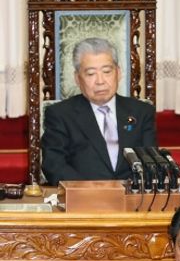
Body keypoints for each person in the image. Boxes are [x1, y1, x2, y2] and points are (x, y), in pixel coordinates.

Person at [41, 37, 157, 185]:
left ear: (118, 73)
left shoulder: (141, 112)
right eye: (90, 74)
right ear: (77, 78)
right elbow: (54, 165)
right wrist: (91, 192)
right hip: (83, 200)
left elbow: (150, 162)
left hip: (132, 199)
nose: (100, 81)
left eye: (107, 71)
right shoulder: (60, 114)